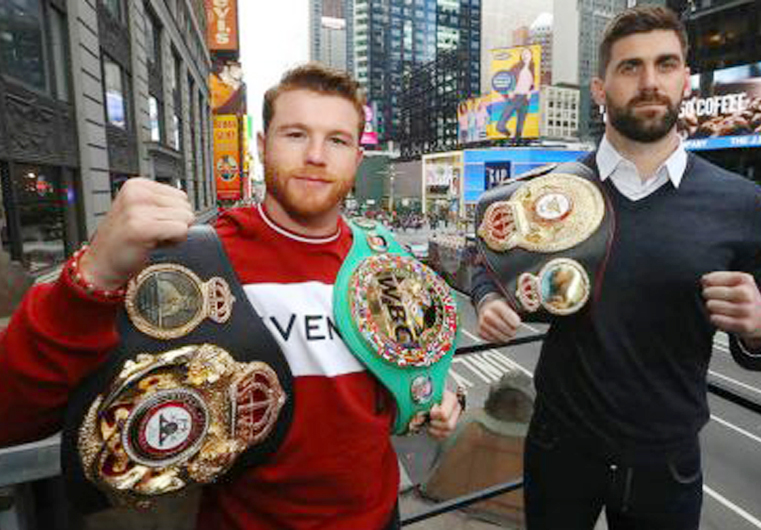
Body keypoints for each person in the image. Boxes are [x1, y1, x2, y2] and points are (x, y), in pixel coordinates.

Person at [0, 64, 462, 530]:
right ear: (262, 147)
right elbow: (10, 415)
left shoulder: (383, 256)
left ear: (357, 159)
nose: (317, 155)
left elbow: (415, 361)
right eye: (296, 134)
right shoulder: (186, 263)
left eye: (338, 140)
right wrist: (94, 274)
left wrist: (442, 393)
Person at [472, 6, 761, 530]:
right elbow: (490, 259)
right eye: (630, 68)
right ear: (600, 89)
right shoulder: (553, 190)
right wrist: (487, 299)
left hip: (666, 463)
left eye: (665, 64)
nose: (649, 82)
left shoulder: (741, 203)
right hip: (560, 449)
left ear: (684, 79)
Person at [496, 47, 537, 139]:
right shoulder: (516, 66)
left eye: (527, 53)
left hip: (525, 99)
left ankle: (516, 142)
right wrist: (509, 91)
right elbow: (509, 78)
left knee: (520, 128)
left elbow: (531, 83)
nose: (525, 56)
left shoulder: (532, 68)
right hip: (515, 97)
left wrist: (530, 92)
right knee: (500, 126)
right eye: (523, 54)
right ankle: (508, 134)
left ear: (531, 55)